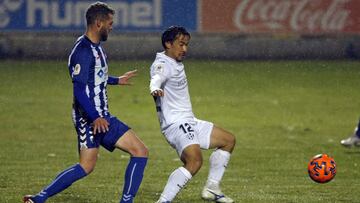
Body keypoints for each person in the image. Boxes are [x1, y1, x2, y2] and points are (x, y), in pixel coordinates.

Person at [23, 2, 148, 203]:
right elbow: (79, 89)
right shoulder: (83, 51)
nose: (112, 27)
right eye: (110, 23)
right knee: (139, 151)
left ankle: (39, 198)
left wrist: (116, 80)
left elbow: (94, 77)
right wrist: (95, 117)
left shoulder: (95, 48)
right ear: (98, 23)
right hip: (91, 117)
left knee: (86, 166)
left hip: (98, 115)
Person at [149, 26, 236, 203]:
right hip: (176, 124)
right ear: (168, 43)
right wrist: (155, 88)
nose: (185, 49)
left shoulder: (174, 62)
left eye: (186, 45)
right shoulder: (163, 64)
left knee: (228, 140)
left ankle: (212, 188)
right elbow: (156, 77)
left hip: (189, 121)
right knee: (195, 162)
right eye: (181, 44)